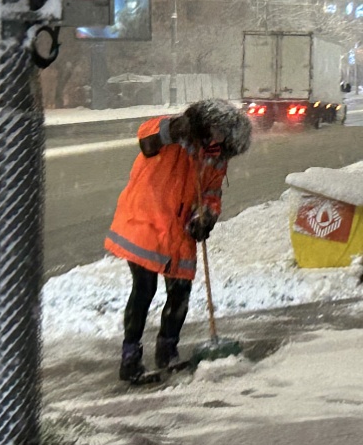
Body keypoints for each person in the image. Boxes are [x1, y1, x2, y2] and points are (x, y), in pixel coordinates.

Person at [104, 99, 252, 381]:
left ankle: (167, 351)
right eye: (215, 130)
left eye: (224, 135)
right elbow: (147, 140)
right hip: (145, 222)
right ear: (205, 124)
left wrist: (206, 215)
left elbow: (211, 192)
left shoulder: (216, 158)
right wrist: (176, 129)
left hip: (180, 230)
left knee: (180, 290)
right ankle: (130, 359)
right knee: (144, 289)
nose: (218, 138)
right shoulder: (174, 135)